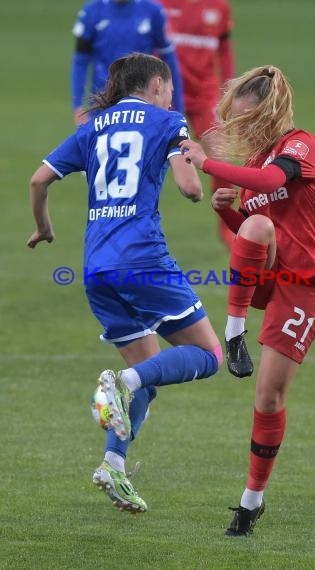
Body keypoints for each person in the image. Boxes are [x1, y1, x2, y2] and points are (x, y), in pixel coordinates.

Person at [27, 53, 222, 514]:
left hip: (96, 268)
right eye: (170, 87)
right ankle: (121, 381)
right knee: (210, 356)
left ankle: (113, 463)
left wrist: (45, 228)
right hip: (143, 259)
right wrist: (196, 162)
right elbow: (191, 188)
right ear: (157, 84)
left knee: (148, 376)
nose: (172, 95)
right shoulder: (167, 120)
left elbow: (39, 180)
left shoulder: (93, 126)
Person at [180, 64, 315, 536]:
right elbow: (245, 238)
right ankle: (234, 334)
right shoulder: (252, 169)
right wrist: (228, 211)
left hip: (303, 283)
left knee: (268, 397)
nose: (242, 129)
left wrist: (205, 162)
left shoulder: (300, 145)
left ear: (270, 113)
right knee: (253, 225)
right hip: (268, 276)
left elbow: (273, 185)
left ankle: (251, 502)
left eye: (249, 120)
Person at [159, 0, 236, 249]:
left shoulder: (219, 7)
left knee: (221, 158)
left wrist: (228, 90)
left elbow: (224, 49)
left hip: (205, 95)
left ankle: (228, 227)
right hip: (167, 95)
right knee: (151, 158)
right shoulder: (159, 5)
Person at [71, 0, 184, 125]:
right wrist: (78, 106)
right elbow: (80, 61)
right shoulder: (91, 11)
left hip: (144, 100)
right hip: (104, 100)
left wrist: (178, 107)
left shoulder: (154, 11)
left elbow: (169, 58)